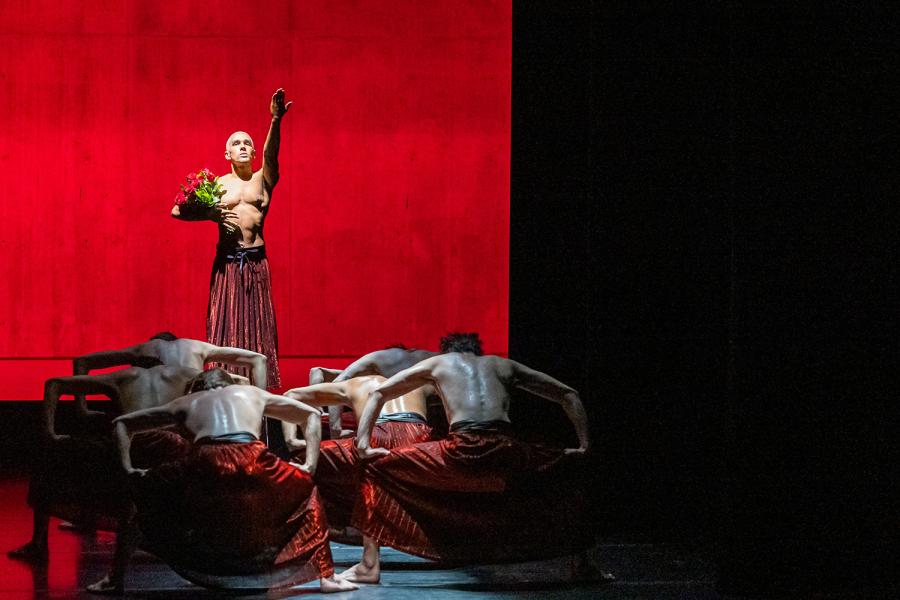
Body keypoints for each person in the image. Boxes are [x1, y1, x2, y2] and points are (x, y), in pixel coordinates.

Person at [340, 348, 592, 584]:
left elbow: (378, 393)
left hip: (461, 449)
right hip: (505, 450)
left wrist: (363, 444)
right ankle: (583, 564)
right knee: (570, 465)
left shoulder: (440, 363)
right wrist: (583, 445)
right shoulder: (503, 365)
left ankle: (369, 565)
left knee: (373, 466)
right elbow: (569, 394)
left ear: (448, 351)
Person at [7, 347, 262, 565]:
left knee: (51, 459)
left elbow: (54, 384)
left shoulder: (124, 376)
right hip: (172, 445)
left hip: (133, 443)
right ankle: (208, 538)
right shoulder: (183, 374)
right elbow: (240, 384)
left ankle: (40, 543)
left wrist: (56, 429)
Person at [111, 369, 357, 593]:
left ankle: (114, 579)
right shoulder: (251, 393)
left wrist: (128, 469)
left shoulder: (184, 402)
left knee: (138, 499)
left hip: (205, 461)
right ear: (228, 384)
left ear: (198, 388)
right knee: (308, 494)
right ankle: (328, 578)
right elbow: (312, 414)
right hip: (253, 456)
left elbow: (121, 423)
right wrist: (308, 466)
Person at [171, 89, 293, 389]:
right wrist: (210, 215)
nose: (242, 147)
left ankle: (258, 396)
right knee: (225, 327)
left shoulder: (263, 179)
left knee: (257, 330)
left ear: (253, 153)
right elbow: (177, 211)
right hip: (227, 265)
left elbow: (271, 154)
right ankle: (223, 389)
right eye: (236, 143)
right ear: (226, 154)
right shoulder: (215, 185)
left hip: (254, 264)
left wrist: (275, 120)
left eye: (247, 144)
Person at [280, 374, 433, 536]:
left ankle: (332, 524)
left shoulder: (356, 384)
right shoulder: (418, 380)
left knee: (301, 460)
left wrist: (292, 440)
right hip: (416, 437)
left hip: (376, 435)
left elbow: (291, 396)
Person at [317, 333, 482, 439]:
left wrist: (335, 430)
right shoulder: (438, 360)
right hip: (419, 425)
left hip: (381, 425)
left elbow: (336, 381)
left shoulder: (378, 358)